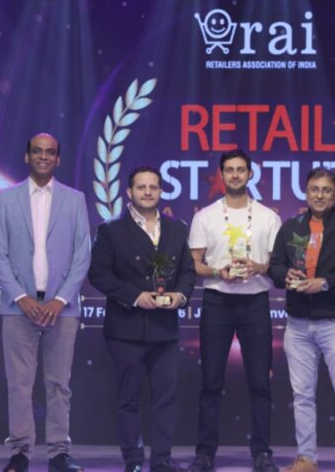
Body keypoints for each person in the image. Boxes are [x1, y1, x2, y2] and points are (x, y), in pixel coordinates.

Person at [0, 133, 90, 472]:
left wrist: (61, 299)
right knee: (19, 383)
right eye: (37, 151)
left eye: (50, 152)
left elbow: (82, 254)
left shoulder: (74, 200)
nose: (43, 156)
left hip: (62, 309)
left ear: (58, 159)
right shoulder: (7, 199)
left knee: (59, 384)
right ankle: (20, 452)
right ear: (27, 156)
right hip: (18, 307)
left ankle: (59, 452)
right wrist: (21, 297)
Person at [88, 166, 195, 472]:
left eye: (153, 187)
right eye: (141, 187)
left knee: (165, 398)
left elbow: (187, 271)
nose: (147, 192)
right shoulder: (110, 230)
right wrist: (136, 296)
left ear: (160, 191)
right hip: (126, 328)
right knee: (129, 399)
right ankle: (133, 462)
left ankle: (161, 462)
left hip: (165, 328)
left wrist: (180, 295)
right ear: (129, 192)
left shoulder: (177, 229)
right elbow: (98, 274)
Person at [186, 150, 282, 472]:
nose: (236, 175)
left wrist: (259, 266)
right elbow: (193, 263)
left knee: (260, 382)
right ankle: (204, 454)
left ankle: (262, 453)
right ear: (221, 174)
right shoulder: (206, 216)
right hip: (217, 301)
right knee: (211, 381)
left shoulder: (268, 217)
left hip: (256, 301)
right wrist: (217, 271)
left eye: (241, 169)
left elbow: (278, 265)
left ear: (251, 174)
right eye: (229, 170)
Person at [268, 167, 335, 472]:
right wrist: (286, 275)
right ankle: (306, 458)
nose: (319, 195)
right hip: (297, 323)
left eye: (326, 190)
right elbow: (274, 267)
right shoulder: (291, 227)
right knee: (302, 395)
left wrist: (324, 283)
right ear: (306, 193)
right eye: (314, 189)